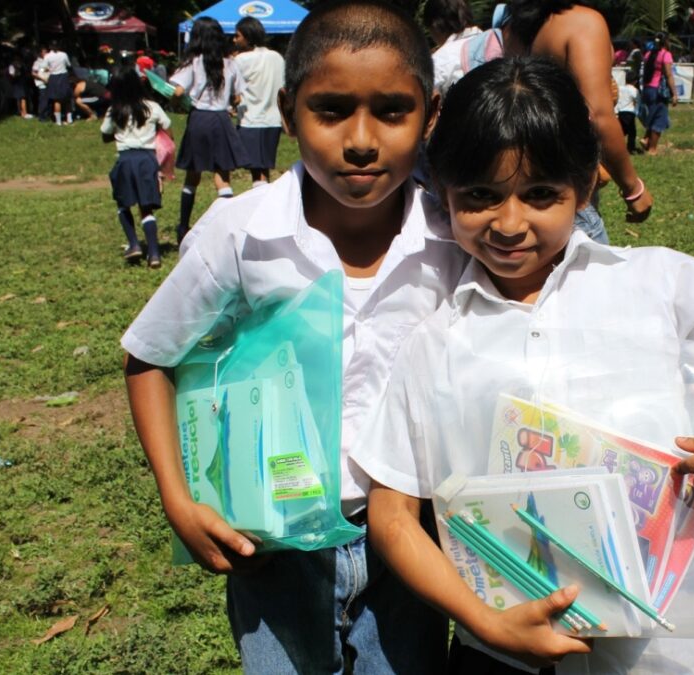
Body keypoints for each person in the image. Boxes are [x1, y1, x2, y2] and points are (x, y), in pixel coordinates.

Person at [355, 56, 694, 675]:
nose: (509, 223)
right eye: (479, 196)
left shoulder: (656, 284)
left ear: (584, 188)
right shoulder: (436, 342)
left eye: (539, 195)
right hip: (498, 654)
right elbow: (392, 513)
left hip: (659, 652)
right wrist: (484, 622)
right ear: (442, 192)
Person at [121, 2, 465, 672]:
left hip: (415, 540)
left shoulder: (454, 238)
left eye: (392, 111)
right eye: (331, 110)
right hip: (272, 545)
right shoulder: (241, 232)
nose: (361, 139)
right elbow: (150, 354)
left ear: (431, 112)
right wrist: (178, 498)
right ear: (286, 111)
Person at [499, 0, 654, 246]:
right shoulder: (583, 22)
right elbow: (598, 117)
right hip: (566, 192)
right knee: (592, 282)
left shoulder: (516, 29)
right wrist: (633, 188)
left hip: (522, 183)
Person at [169, 16, 248, 243]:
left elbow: (176, 90)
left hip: (199, 120)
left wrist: (176, 103)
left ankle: (183, 226)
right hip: (221, 120)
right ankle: (229, 226)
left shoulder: (193, 62)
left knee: (192, 175)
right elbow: (238, 95)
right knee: (223, 176)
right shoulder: (230, 63)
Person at [101, 68, 172, 268]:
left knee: (123, 203)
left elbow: (105, 133)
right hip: (147, 160)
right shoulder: (152, 106)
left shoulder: (115, 109)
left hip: (125, 159)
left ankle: (133, 244)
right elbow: (167, 126)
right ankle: (155, 254)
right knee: (146, 207)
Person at [232, 16, 285, 187]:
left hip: (251, 120)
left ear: (248, 36)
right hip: (273, 121)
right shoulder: (277, 57)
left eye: (237, 36)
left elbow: (232, 88)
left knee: (256, 171)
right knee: (264, 168)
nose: (234, 40)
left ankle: (259, 205)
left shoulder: (241, 60)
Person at [639, 32, 678, 156]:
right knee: (659, 118)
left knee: (652, 114)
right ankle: (652, 149)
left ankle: (646, 139)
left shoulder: (648, 54)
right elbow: (668, 75)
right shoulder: (665, 55)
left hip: (647, 89)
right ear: (666, 41)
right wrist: (674, 93)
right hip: (658, 91)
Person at [45, 41, 73, 125]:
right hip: (63, 76)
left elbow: (45, 67)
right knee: (67, 99)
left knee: (57, 100)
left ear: (50, 46)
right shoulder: (64, 54)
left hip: (53, 77)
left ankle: (58, 121)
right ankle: (69, 119)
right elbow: (68, 64)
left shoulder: (47, 56)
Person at [615, 68, 639, 154]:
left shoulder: (620, 88)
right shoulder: (634, 90)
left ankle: (617, 145)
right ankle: (631, 147)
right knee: (632, 132)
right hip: (629, 113)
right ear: (635, 81)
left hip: (620, 112)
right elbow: (637, 100)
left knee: (623, 130)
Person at [32, 46, 51, 122]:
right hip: (42, 83)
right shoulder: (37, 62)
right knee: (43, 100)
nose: (46, 53)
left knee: (48, 100)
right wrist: (43, 79)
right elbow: (34, 73)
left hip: (49, 83)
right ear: (41, 53)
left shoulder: (48, 61)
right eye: (44, 52)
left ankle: (47, 115)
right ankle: (42, 116)